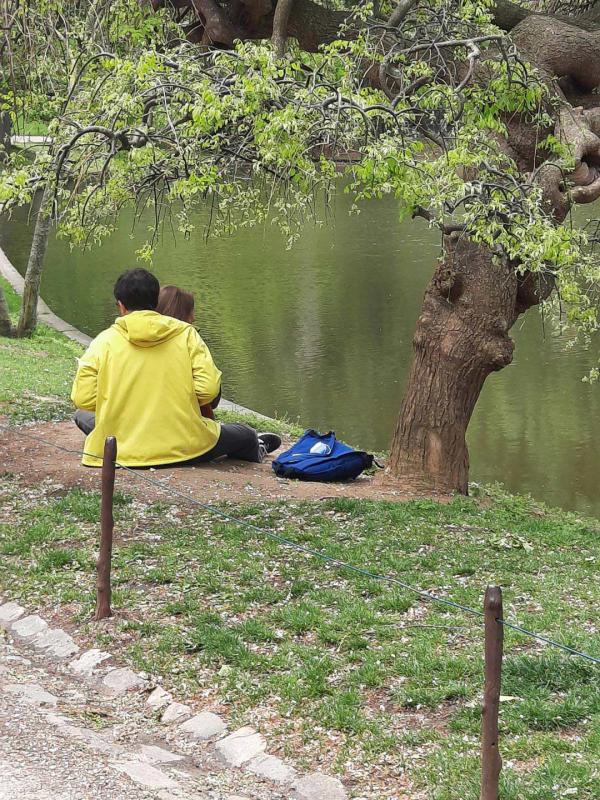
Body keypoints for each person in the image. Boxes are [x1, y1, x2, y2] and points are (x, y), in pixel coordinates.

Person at [71, 268, 281, 467]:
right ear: (155, 302)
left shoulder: (103, 341)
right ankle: (257, 448)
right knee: (244, 434)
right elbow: (208, 391)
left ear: (121, 305)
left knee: (81, 415)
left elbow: (83, 399)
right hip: (184, 446)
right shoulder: (186, 334)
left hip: (121, 450)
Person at [155, 285, 217, 420]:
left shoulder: (132, 340)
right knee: (246, 435)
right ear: (183, 314)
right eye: (191, 312)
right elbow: (211, 394)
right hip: (184, 425)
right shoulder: (189, 338)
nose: (194, 318)